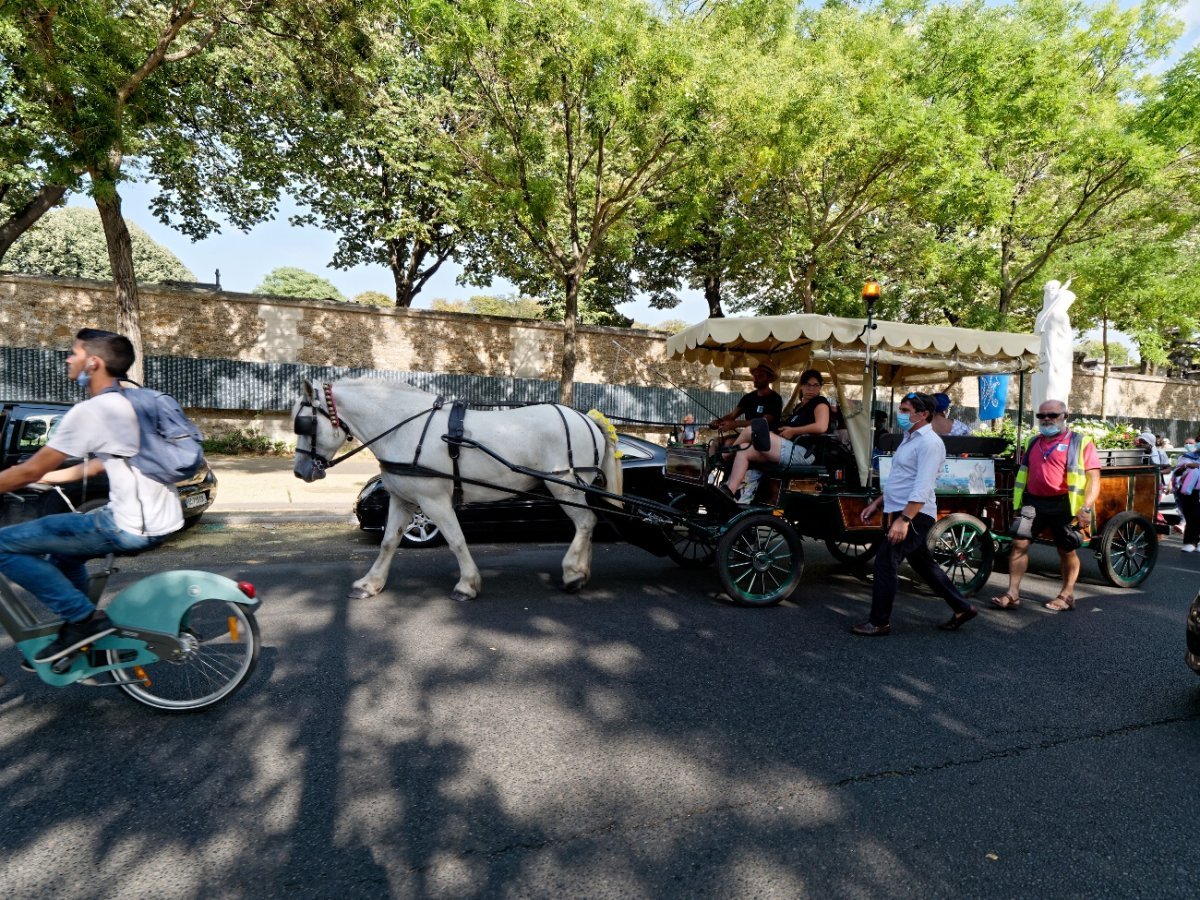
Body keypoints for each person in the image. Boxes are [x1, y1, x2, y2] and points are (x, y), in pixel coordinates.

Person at [0, 329, 184, 664]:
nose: (68, 359)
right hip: (163, 518)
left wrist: (30, 476)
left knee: (2, 545)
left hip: (128, 525)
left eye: (73, 353)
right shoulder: (132, 403)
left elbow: (29, 469)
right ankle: (79, 634)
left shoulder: (93, 411)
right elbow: (101, 465)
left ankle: (85, 622)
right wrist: (47, 479)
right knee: (64, 550)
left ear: (93, 362)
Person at [851, 392, 977, 636]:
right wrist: (878, 502)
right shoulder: (909, 438)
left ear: (923, 414)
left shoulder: (930, 443)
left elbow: (923, 485)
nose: (901, 414)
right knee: (924, 565)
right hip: (902, 509)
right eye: (901, 409)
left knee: (885, 561)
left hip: (915, 514)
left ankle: (879, 622)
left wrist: (905, 519)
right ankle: (962, 607)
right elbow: (900, 479)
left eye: (906, 410)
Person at [990, 399, 1101, 612]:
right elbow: (1024, 473)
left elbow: (1094, 479)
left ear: (1065, 416)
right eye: (1042, 416)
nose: (1047, 419)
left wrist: (1086, 507)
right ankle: (1012, 593)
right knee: (1019, 544)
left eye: (1052, 415)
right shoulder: (1033, 441)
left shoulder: (1081, 442)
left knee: (1065, 550)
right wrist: (1018, 503)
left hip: (1063, 505)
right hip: (1033, 503)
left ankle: (1066, 595)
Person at [721, 369, 829, 499]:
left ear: (820, 387)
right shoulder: (799, 408)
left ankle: (726, 454)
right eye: (807, 384)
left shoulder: (820, 402)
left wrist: (793, 431)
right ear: (801, 386)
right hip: (789, 447)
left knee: (752, 429)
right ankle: (729, 491)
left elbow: (822, 426)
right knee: (744, 449)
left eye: (816, 385)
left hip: (804, 453)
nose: (811, 388)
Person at [709, 362, 783, 434]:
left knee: (729, 443)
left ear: (769, 378)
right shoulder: (748, 398)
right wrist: (718, 422)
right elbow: (732, 416)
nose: (756, 379)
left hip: (768, 437)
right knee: (717, 442)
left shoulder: (775, 399)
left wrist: (736, 424)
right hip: (749, 435)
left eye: (760, 376)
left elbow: (763, 422)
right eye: (755, 376)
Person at [1172, 435, 1200, 552]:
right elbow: (1176, 473)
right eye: (1198, 441)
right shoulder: (1187, 457)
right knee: (1191, 516)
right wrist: (1187, 466)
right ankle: (1191, 542)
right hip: (1189, 491)